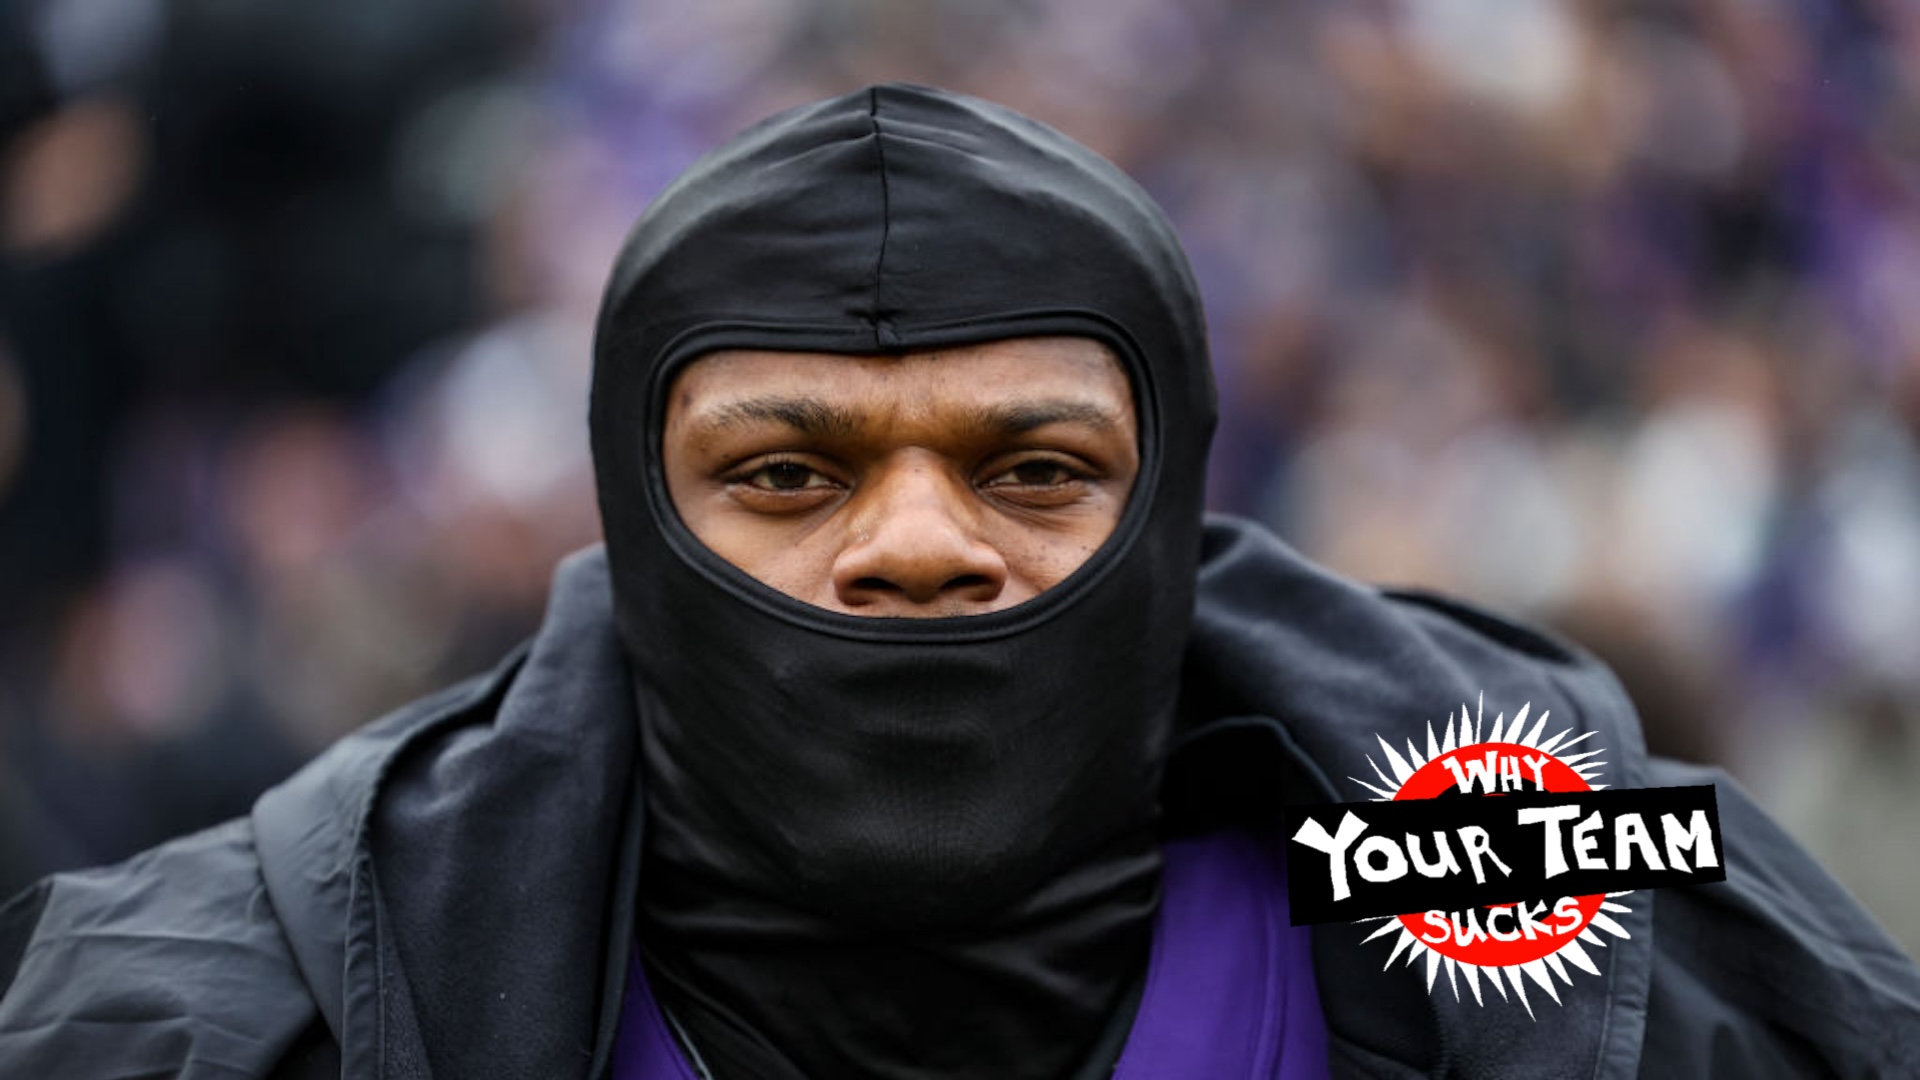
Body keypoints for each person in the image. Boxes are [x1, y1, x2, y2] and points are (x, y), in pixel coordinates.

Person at [2, 82, 1917, 1080]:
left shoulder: (1616, 928)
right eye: (782, 471)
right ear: (630, 524)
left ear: (1168, 506)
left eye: (1035, 468)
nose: (917, 542)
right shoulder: (230, 1008)